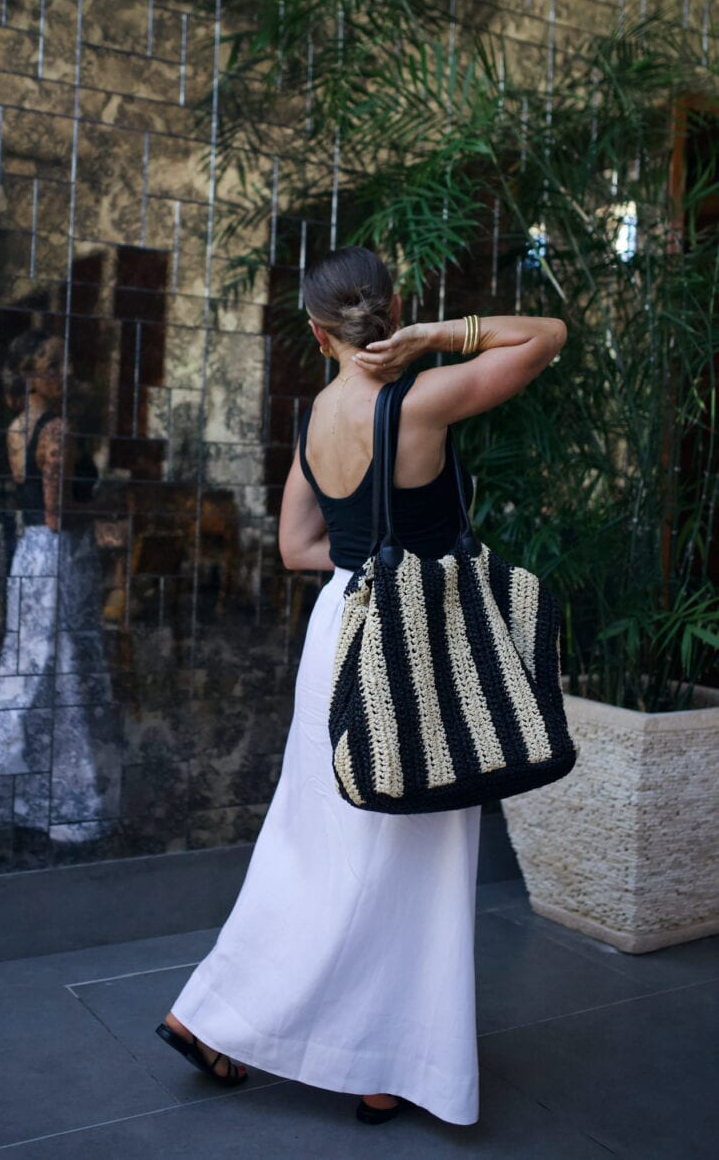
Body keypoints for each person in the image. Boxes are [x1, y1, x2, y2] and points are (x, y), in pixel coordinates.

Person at [155, 245, 567, 1126]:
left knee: (314, 844)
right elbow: (545, 337)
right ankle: (384, 1060)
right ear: (395, 309)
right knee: (415, 859)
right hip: (418, 640)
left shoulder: (315, 416)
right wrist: (436, 336)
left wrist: (356, 564)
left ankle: (228, 1017)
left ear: (316, 332)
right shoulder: (419, 401)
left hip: (339, 629)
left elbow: (297, 547)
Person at [0, 329, 120, 853]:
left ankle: (39, 798)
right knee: (42, 675)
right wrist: (108, 513)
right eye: (54, 364)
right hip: (58, 558)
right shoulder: (58, 429)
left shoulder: (18, 426)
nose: (65, 374)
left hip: (33, 557)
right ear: (31, 374)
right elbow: (57, 514)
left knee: (40, 674)